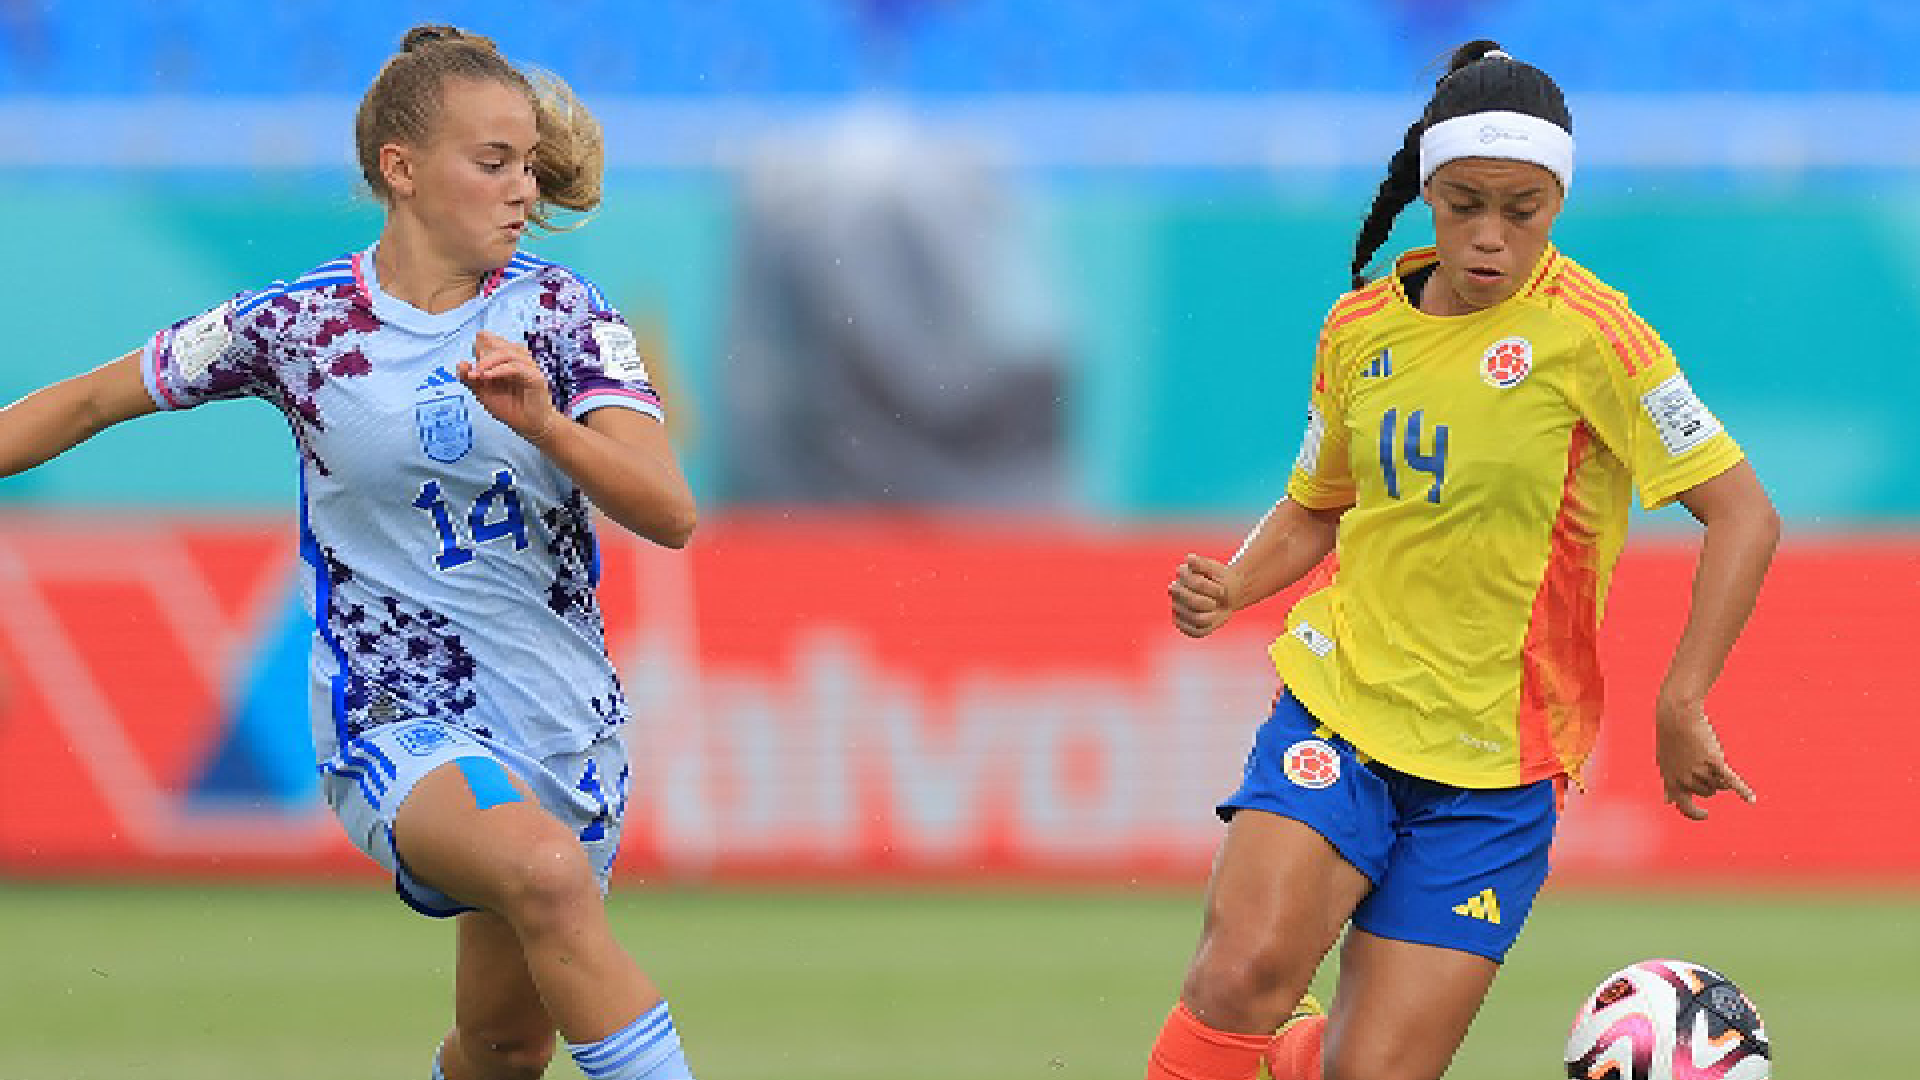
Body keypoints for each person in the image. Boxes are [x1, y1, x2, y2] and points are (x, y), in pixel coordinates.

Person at [0, 25, 700, 1080]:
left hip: (565, 726)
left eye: (527, 164)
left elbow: (671, 511)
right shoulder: (299, 325)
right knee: (547, 876)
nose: (522, 190)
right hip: (394, 717)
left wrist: (549, 425)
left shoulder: (565, 315)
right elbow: (95, 398)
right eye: (493, 162)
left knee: (506, 1050)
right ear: (401, 169)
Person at [1147, 40, 1780, 1080]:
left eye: (1522, 211)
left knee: (1366, 1073)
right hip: (1343, 707)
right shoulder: (1358, 331)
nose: (1490, 237)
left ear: (1558, 202)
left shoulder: (1600, 340)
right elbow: (1318, 505)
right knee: (1243, 972)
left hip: (1499, 771)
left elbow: (1745, 514)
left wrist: (1684, 699)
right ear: (1426, 192)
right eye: (1464, 204)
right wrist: (1235, 585)